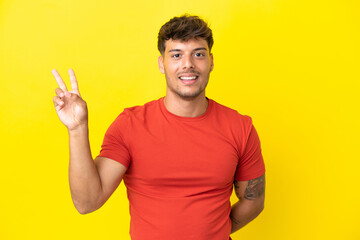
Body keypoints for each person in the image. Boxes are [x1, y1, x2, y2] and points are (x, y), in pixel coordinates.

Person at [52, 14, 265, 240]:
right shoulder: (130, 125)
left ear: (211, 61)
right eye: (176, 55)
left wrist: (216, 230)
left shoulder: (240, 127)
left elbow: (254, 201)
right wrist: (77, 129)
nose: (188, 64)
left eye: (198, 54)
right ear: (161, 63)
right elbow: (87, 202)